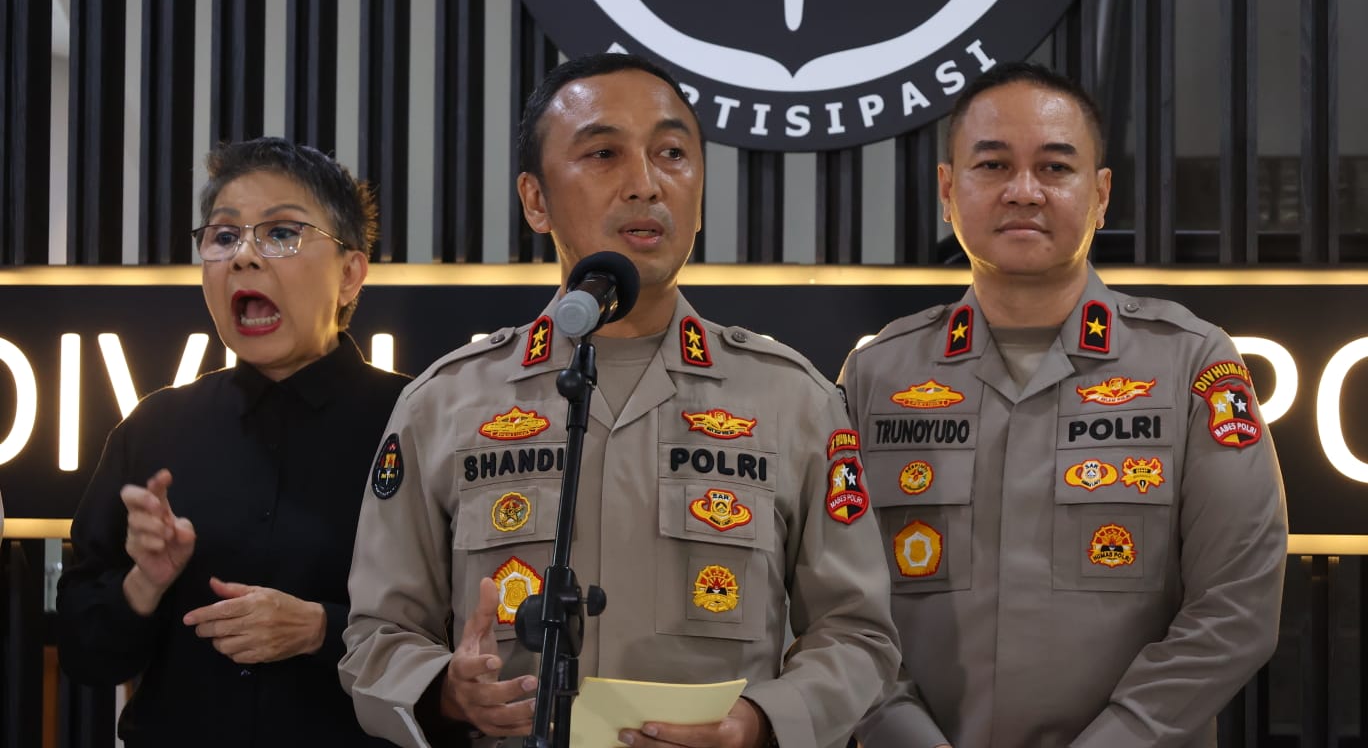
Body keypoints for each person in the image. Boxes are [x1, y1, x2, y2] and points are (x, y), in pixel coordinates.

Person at [341, 53, 900, 748]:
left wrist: (761, 723)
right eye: (604, 154)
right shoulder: (444, 404)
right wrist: (445, 692)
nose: (645, 184)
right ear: (535, 199)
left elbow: (858, 636)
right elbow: (376, 636)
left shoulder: (793, 401)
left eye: (672, 154)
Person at [842, 62, 1288, 748]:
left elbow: (1237, 606)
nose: (1024, 191)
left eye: (1055, 168)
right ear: (948, 190)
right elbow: (837, 604)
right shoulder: (877, 375)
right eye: (993, 165)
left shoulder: (1192, 363)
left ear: (1100, 195)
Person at [57, 138, 410, 747]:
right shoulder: (154, 428)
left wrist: (322, 631)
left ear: (350, 273)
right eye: (223, 237)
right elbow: (85, 655)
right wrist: (145, 583)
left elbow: (464, 636)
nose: (243, 256)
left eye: (281, 233)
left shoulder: (416, 421)